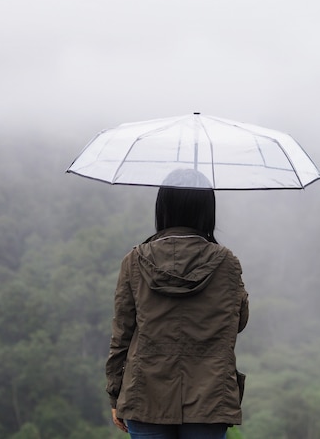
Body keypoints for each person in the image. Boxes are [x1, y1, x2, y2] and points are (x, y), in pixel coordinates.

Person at [105, 169, 249, 439]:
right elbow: (238, 322)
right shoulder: (226, 262)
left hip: (144, 393)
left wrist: (115, 392)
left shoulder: (135, 261)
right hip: (210, 395)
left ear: (163, 208)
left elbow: (121, 334)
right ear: (207, 210)